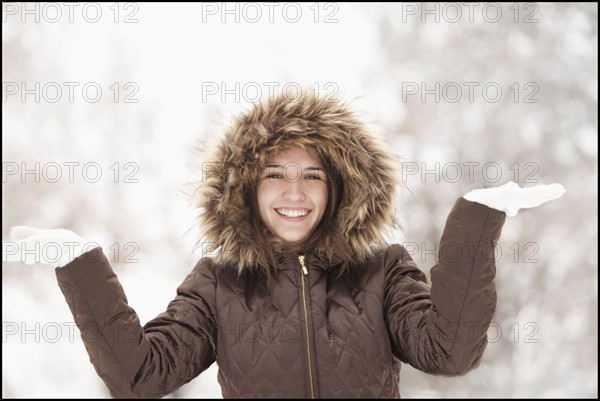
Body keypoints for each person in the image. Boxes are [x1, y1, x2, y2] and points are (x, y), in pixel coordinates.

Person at [7, 92, 565, 398]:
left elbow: (450, 352)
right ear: (248, 188)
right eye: (275, 174)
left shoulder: (382, 271)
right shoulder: (219, 281)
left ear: (339, 187)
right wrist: (77, 265)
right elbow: (141, 376)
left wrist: (475, 224)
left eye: (313, 176)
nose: (293, 192)